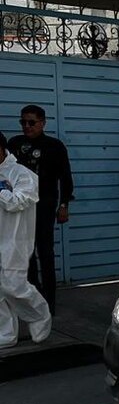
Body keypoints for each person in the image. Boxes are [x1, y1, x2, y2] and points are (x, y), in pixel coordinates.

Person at [8, 105, 74, 315]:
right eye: (23, 122)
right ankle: (34, 296)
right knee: (24, 254)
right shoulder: (15, 144)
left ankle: (49, 302)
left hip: (44, 205)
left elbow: (65, 178)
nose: (27, 126)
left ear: (43, 122)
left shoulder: (54, 146)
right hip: (20, 206)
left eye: (32, 122)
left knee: (45, 252)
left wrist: (64, 204)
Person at [0, 131, 52, 349]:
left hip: (15, 241)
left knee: (14, 286)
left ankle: (40, 314)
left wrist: (1, 190)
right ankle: (5, 334)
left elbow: (18, 201)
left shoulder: (22, 174)